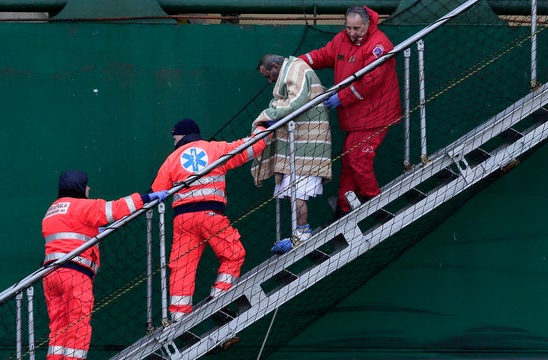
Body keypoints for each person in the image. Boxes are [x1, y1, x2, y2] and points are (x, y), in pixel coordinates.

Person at [151, 118, 269, 322]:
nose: (173, 141)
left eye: (175, 137)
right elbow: (250, 148)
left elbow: (155, 192)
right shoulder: (216, 149)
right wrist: (263, 128)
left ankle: (179, 316)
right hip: (211, 216)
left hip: (183, 221)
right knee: (233, 254)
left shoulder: (171, 159)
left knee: (182, 266)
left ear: (182, 135)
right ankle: (220, 296)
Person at [42, 170, 167, 360]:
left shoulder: (53, 210)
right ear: (79, 187)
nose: (89, 188)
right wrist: (145, 198)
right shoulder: (83, 206)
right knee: (78, 324)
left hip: (51, 276)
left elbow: (71, 230)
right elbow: (115, 209)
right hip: (75, 274)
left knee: (58, 327)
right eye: (86, 185)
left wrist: (94, 229)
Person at [298, 5, 402, 219]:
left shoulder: (379, 45)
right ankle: (344, 207)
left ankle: (375, 202)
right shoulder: (342, 39)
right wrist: (297, 62)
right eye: (349, 28)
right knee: (349, 162)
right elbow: (323, 56)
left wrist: (340, 97)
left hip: (376, 114)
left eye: (357, 28)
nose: (352, 32)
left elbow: (370, 81)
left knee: (358, 159)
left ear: (368, 24)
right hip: (356, 117)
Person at [252, 54, 332, 243]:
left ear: (274, 66)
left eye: (268, 75)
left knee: (295, 192)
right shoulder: (291, 71)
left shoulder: (296, 68)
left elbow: (296, 102)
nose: (270, 80)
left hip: (309, 144)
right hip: (301, 145)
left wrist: (269, 114)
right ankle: (299, 232)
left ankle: (302, 233)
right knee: (290, 192)